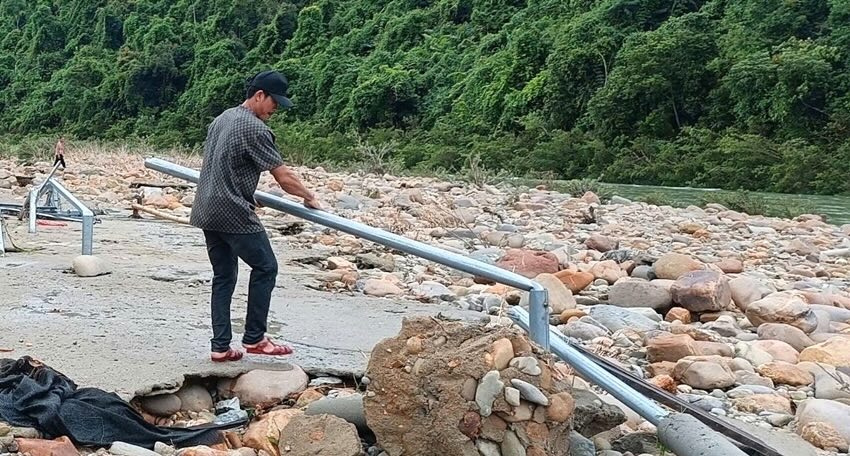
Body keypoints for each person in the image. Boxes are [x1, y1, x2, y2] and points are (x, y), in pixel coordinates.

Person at [190, 70, 322, 362]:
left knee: (223, 276)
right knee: (266, 267)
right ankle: (255, 338)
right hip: (232, 213)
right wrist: (310, 197)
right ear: (259, 95)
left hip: (205, 209)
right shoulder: (255, 128)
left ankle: (220, 346)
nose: (276, 109)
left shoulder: (222, 118)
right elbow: (284, 177)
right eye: (274, 102)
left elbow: (225, 166)